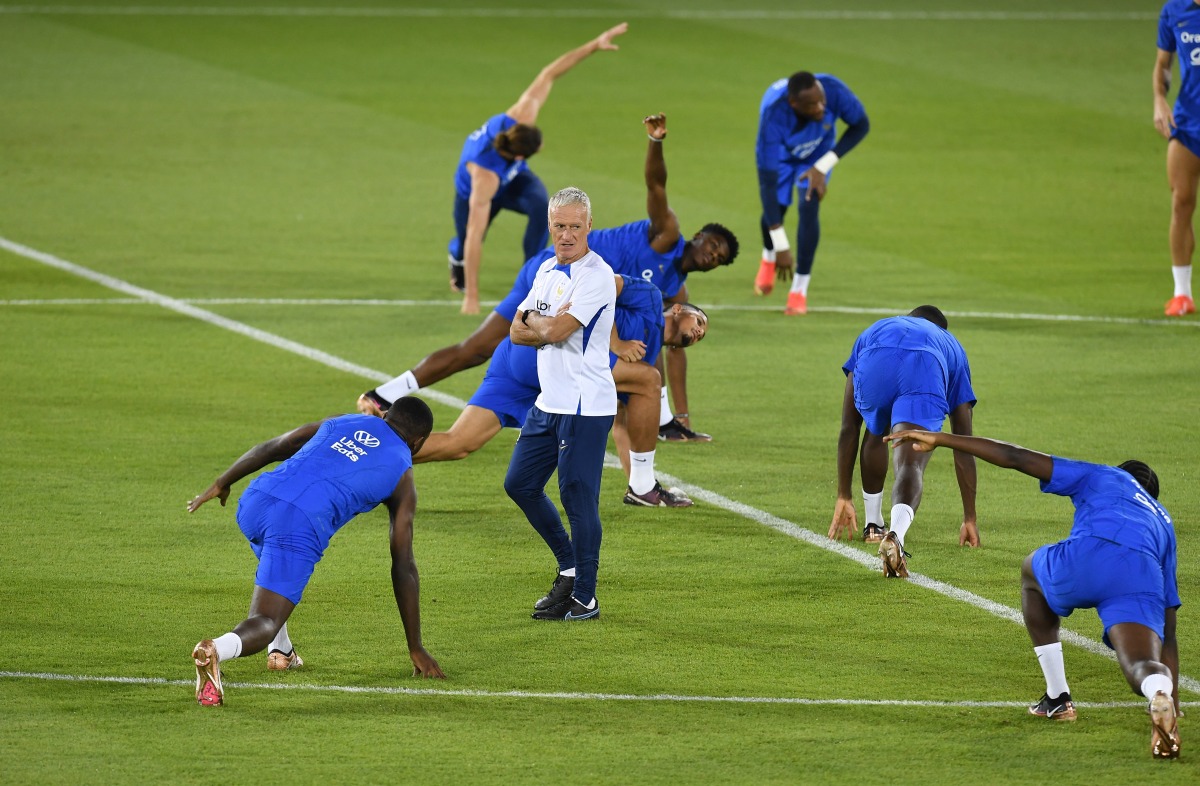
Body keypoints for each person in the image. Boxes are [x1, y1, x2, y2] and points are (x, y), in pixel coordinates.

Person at [368, 113, 738, 442]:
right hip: (553, 271)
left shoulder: (674, 291)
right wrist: (655, 143)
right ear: (700, 235)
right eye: (714, 244)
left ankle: (387, 397)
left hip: (569, 287)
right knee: (481, 348)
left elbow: (666, 349)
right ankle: (388, 394)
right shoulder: (667, 235)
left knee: (489, 353)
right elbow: (656, 186)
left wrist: (674, 417)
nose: (713, 254)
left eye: (719, 258)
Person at [884, 428, 1181, 760]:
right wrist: (1176, 701)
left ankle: (1058, 697)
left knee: (1031, 573)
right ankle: (1159, 693)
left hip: (1089, 556)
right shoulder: (1163, 521)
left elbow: (1016, 457)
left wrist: (941, 439)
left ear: (1122, 474)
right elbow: (1168, 629)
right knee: (1141, 663)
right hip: (1141, 574)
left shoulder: (1104, 475)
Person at [185, 397, 443, 706]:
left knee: (274, 568)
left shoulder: (343, 420)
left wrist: (222, 482)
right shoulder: (402, 471)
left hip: (256, 499)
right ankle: (216, 649)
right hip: (295, 523)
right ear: (419, 442)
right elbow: (404, 565)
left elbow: (278, 445)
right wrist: (415, 646)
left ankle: (281, 652)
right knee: (265, 619)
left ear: (384, 414)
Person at [413, 275, 707, 508]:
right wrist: (615, 342)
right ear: (679, 308)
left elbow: (621, 423)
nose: (699, 333)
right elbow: (606, 285)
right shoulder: (651, 298)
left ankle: (379, 445)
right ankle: (643, 488)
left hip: (517, 357)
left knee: (459, 443)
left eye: (702, 335)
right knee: (649, 380)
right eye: (699, 322)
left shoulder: (646, 355)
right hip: (551, 351)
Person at [447, 23, 628, 315]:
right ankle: (455, 263)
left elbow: (549, 73)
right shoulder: (484, 176)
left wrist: (594, 45)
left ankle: (533, 274)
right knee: (468, 240)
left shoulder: (521, 115)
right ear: (520, 155)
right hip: (479, 192)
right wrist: (473, 297)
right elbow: (473, 233)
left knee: (541, 205)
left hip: (514, 180)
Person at [505, 186, 615, 621]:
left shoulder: (596, 275)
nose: (566, 234)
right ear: (550, 226)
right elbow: (518, 331)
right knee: (520, 484)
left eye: (575, 226)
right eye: (559, 226)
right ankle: (570, 567)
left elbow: (552, 333)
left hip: (585, 406)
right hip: (549, 403)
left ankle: (585, 595)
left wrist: (539, 322)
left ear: (589, 226)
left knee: (577, 495)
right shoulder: (547, 271)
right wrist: (541, 321)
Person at [828, 306, 978, 577]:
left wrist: (843, 495)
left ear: (908, 317)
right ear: (940, 328)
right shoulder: (949, 344)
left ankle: (873, 525)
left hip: (876, 356)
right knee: (911, 459)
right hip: (926, 365)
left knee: (876, 429)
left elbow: (849, 426)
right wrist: (970, 518)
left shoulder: (877, 328)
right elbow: (964, 444)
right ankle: (895, 534)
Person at [753, 71, 869, 315]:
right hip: (783, 157)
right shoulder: (773, 118)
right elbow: (768, 186)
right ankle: (769, 257)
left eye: (822, 100)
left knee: (809, 206)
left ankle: (799, 289)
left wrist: (823, 165)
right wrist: (781, 245)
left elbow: (861, 125)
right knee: (776, 208)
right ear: (793, 104)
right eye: (812, 105)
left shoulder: (833, 91)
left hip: (818, 153)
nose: (821, 107)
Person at [1154, 2, 1199, 317]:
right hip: (1188, 123)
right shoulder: (1175, 10)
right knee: (1181, 201)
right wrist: (1159, 99)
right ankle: (1181, 293)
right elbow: (1163, 64)